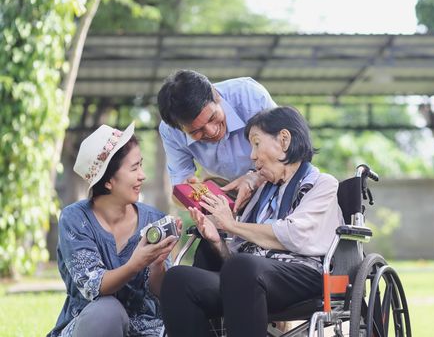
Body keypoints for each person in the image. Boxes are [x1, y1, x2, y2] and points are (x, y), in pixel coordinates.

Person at [159, 107, 344, 337]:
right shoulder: (262, 191)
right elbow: (235, 256)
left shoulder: (322, 183)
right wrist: (217, 240)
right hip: (250, 276)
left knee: (243, 267)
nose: (252, 156)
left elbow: (293, 234)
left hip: (303, 273)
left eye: (256, 144)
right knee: (178, 280)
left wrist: (231, 225)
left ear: (284, 140)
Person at [48, 122, 180, 337]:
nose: (142, 175)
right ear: (108, 181)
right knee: (106, 311)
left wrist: (157, 265)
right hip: (92, 327)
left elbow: (161, 294)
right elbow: (94, 287)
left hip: (148, 330)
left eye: (142, 165)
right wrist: (137, 263)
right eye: (134, 168)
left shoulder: (154, 219)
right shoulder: (75, 219)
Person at [157, 69, 277, 211]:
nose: (212, 132)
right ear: (179, 129)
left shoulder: (250, 96)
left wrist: (255, 178)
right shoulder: (170, 132)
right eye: (196, 131)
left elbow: (287, 151)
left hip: (276, 180)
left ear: (216, 95)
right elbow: (177, 195)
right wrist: (189, 192)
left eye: (212, 117)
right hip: (231, 195)